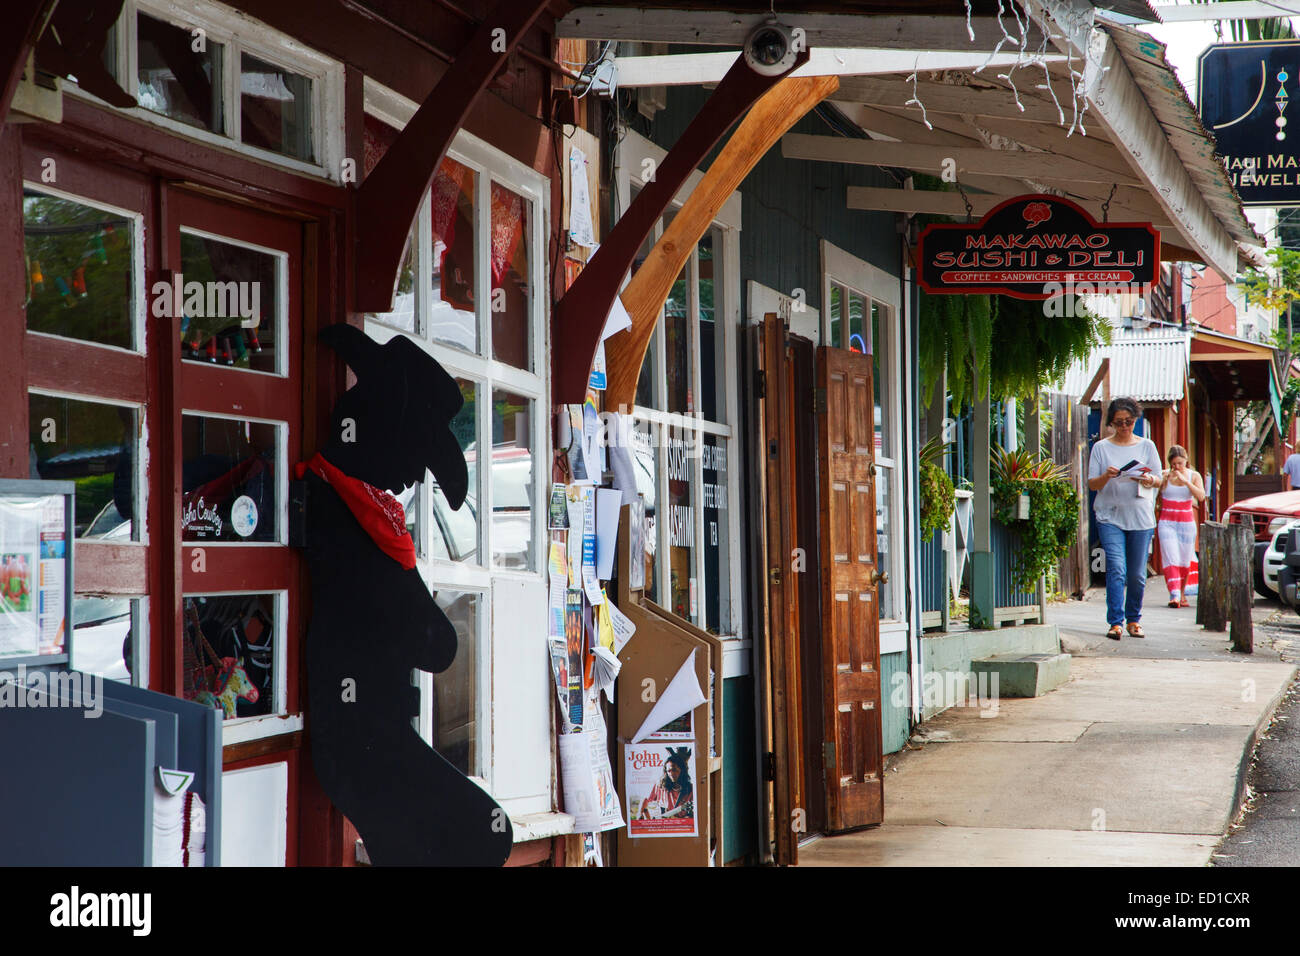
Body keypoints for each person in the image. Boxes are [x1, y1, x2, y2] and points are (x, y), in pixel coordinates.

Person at [1087, 398, 1162, 640]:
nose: (1124, 427)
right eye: (1118, 422)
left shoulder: (1147, 446)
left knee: (1137, 574)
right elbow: (1091, 484)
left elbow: (1159, 479)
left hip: (1140, 516)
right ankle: (1115, 622)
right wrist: (1106, 477)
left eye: (1128, 422)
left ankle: (1134, 619)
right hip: (1109, 515)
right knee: (1116, 568)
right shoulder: (1101, 448)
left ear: (1135, 420)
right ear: (1111, 423)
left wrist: (1147, 479)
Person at [1157, 445, 1206, 608]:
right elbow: (1155, 495)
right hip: (1167, 522)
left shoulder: (1194, 476)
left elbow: (1201, 496)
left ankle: (1182, 593)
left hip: (1186, 523)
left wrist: (1185, 481)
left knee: (1185, 560)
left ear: (1186, 460)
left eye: (1180, 463)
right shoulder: (1165, 476)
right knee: (1171, 557)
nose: (1177, 467)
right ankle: (1175, 594)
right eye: (1174, 464)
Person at [638, 747, 694, 821]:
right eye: (669, 771)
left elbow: (692, 817)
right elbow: (646, 800)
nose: (671, 774)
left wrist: (676, 819)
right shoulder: (659, 786)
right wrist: (640, 814)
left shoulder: (691, 789)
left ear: (682, 770)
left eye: (674, 770)